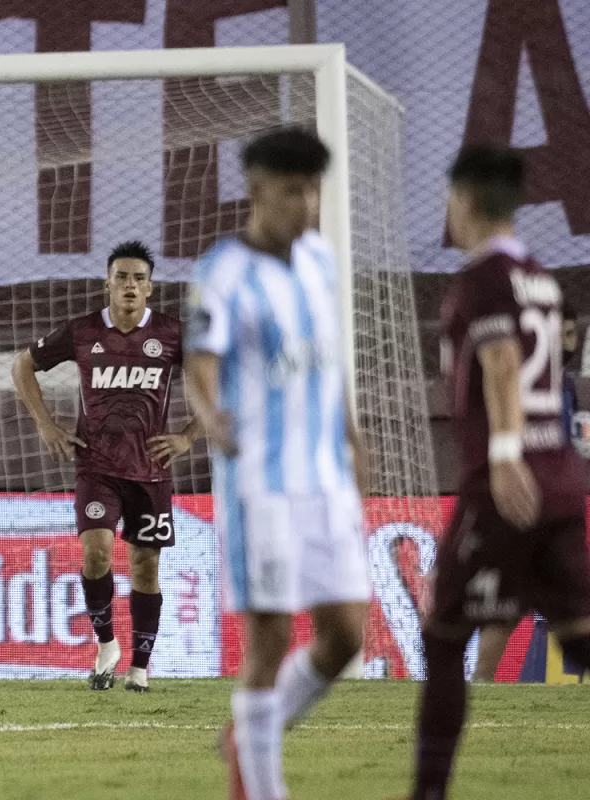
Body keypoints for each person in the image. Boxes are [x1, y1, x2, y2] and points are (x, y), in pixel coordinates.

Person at [183, 127, 371, 800]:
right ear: (259, 191)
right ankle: (261, 789)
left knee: (347, 633)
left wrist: (351, 435)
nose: (307, 203)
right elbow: (198, 371)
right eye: (294, 190)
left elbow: (326, 354)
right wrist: (212, 421)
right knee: (266, 644)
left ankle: (248, 733)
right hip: (261, 486)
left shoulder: (319, 258)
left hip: (324, 479)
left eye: (313, 189)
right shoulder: (222, 273)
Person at [409, 145, 590, 800]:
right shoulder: (540, 276)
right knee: (579, 633)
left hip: (507, 484)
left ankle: (427, 792)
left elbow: (504, 363)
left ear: (464, 198)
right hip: (564, 477)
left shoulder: (484, 279)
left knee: (443, 635)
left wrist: (508, 454)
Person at [12, 240, 193, 692]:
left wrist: (189, 436)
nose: (129, 285)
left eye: (138, 279)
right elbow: (22, 366)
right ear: (107, 284)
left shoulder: (173, 334)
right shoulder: (82, 331)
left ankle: (140, 667)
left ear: (150, 288)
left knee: (145, 568)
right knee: (95, 554)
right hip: (96, 468)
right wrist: (46, 425)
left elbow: (223, 379)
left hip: (151, 471)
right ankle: (106, 642)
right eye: (121, 277)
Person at [472, 299, 581, 682]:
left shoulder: (565, 387)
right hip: (520, 510)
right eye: (561, 335)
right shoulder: (518, 386)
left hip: (554, 511)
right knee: (502, 613)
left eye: (572, 335)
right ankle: (478, 685)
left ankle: (485, 685)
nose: (568, 344)